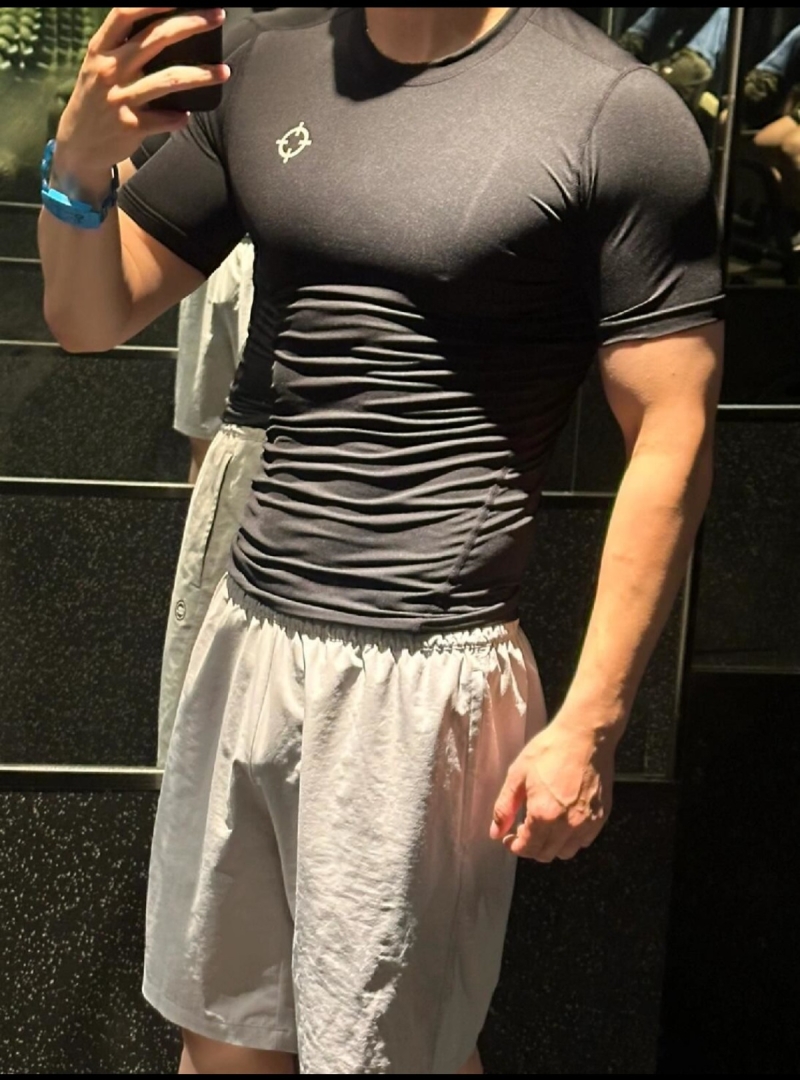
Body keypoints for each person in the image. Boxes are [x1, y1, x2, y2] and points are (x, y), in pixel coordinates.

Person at [38, 7, 724, 1075]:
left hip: (425, 671)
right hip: (248, 628)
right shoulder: (267, 61)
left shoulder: (613, 113)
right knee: (218, 1043)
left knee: (386, 1059)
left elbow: (671, 436)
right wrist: (77, 168)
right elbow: (89, 316)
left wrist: (590, 724)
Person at [122, 7, 331, 768]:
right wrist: (81, 159)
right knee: (217, 447)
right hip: (222, 246)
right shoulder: (246, 36)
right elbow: (94, 298)